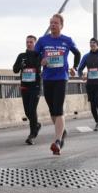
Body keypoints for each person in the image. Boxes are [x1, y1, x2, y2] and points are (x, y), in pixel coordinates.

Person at [35, 13, 81, 155]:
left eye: (55, 23)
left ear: (61, 25)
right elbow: (34, 56)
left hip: (61, 78)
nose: (53, 25)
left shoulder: (67, 40)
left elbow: (77, 53)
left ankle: (57, 142)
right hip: (47, 78)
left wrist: (75, 67)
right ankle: (62, 132)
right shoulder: (42, 40)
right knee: (52, 110)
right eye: (51, 23)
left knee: (58, 109)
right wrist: (40, 61)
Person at [13, 35, 42, 145]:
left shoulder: (39, 55)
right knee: (27, 112)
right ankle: (36, 125)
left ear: (35, 43)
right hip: (24, 87)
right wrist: (20, 65)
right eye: (27, 42)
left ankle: (32, 135)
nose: (29, 44)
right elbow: (15, 70)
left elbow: (44, 66)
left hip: (35, 87)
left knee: (32, 109)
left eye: (31, 42)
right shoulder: (21, 56)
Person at [78, 38, 98, 131]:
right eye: (91, 43)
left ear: (97, 44)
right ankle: (97, 122)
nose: (92, 45)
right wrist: (81, 76)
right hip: (90, 84)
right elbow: (80, 69)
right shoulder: (86, 56)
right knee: (92, 104)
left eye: (94, 43)